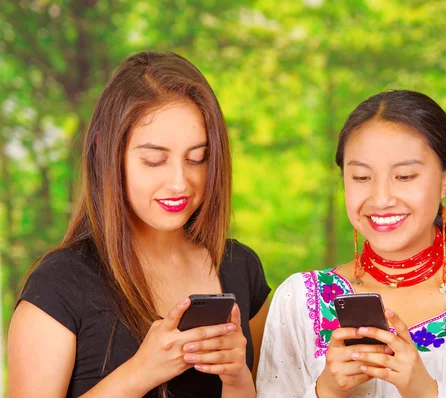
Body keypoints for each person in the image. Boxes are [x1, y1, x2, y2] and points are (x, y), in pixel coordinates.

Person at [256, 90, 446, 397]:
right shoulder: (300, 299)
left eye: (405, 176)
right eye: (361, 177)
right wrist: (327, 391)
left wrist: (426, 391)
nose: (382, 199)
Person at [7, 51, 271, 398]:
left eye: (197, 158)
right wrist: (138, 374)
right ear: (107, 152)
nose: (180, 182)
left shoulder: (241, 269)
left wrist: (237, 378)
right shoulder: (58, 286)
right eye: (154, 160)